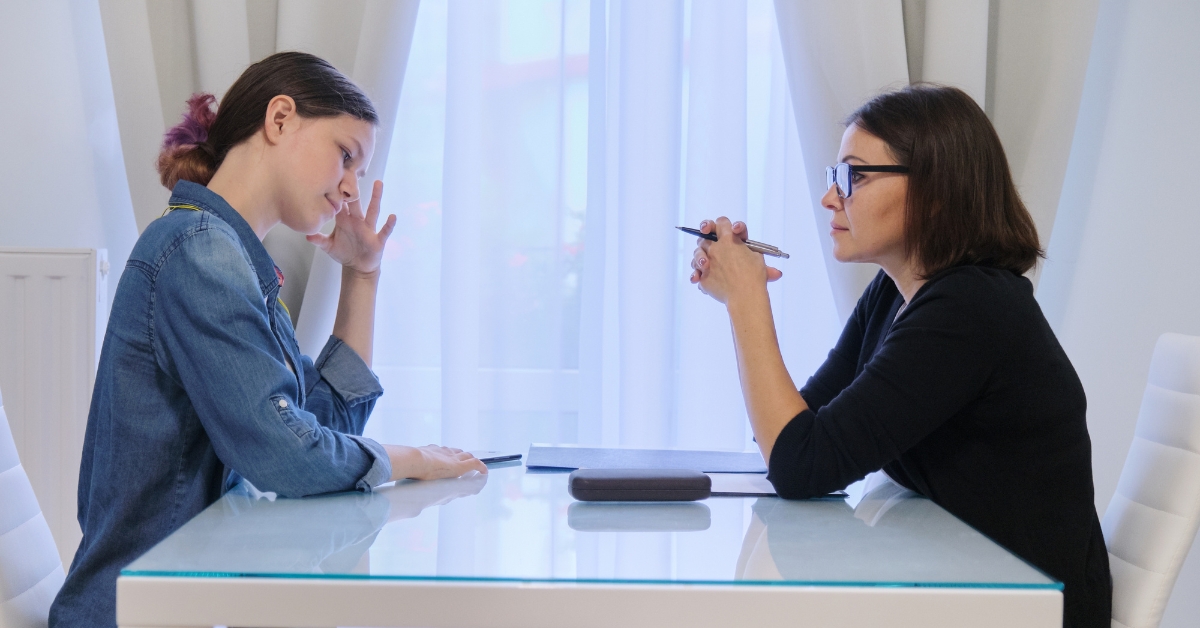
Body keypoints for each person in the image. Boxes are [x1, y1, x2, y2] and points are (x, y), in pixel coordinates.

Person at [49, 52, 486, 627]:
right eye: (346, 156)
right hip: (139, 615)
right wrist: (413, 459)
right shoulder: (199, 252)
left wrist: (363, 274)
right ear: (280, 119)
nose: (352, 189)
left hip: (185, 607)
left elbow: (322, 433)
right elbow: (288, 458)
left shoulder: (230, 261)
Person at [688, 85, 1111, 627]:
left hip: (1022, 609)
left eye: (854, 176)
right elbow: (793, 435)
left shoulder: (971, 307)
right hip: (953, 588)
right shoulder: (895, 292)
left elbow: (800, 464)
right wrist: (740, 295)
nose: (830, 197)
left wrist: (746, 299)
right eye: (834, 176)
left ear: (935, 190)